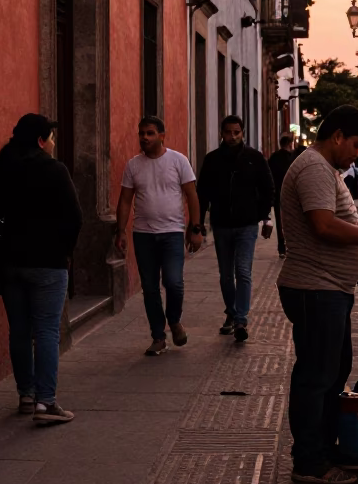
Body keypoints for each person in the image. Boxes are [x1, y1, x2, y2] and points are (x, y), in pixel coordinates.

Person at [278, 105, 358, 484]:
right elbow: (324, 225)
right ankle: (309, 461)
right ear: (337, 136)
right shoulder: (314, 167)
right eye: (357, 144)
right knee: (316, 376)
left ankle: (321, 448)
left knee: (332, 372)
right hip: (315, 288)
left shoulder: (323, 168)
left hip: (328, 287)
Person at [0, 113, 83, 425]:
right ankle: (45, 403)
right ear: (40, 140)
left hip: (10, 264)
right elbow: (74, 218)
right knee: (47, 331)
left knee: (20, 331)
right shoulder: (55, 170)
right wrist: (64, 251)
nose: (53, 143)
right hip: (48, 265)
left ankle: (25, 394)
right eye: (51, 137)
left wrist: (3, 238)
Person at [115, 116, 204, 356]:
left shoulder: (178, 161)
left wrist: (195, 229)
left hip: (173, 233)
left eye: (150, 133)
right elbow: (125, 200)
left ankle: (174, 320)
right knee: (150, 287)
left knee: (174, 282)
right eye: (142, 133)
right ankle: (158, 336)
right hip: (143, 235)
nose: (145, 137)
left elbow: (192, 196)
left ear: (162, 136)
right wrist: (121, 230)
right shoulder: (133, 165)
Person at [197, 115, 276, 343]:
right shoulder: (212, 160)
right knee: (225, 275)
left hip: (247, 225)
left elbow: (268, 188)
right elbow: (202, 193)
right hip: (221, 225)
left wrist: (265, 217)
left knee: (242, 271)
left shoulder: (254, 158)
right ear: (221, 133)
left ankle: (241, 318)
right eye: (228, 132)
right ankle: (230, 313)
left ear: (243, 133)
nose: (232, 137)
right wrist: (199, 223)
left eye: (236, 132)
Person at [268, 134, 299, 257]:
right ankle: (292, 246)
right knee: (293, 220)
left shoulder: (274, 157)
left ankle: (281, 248)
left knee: (280, 221)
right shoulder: (293, 158)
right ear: (290, 143)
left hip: (278, 194)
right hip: (292, 194)